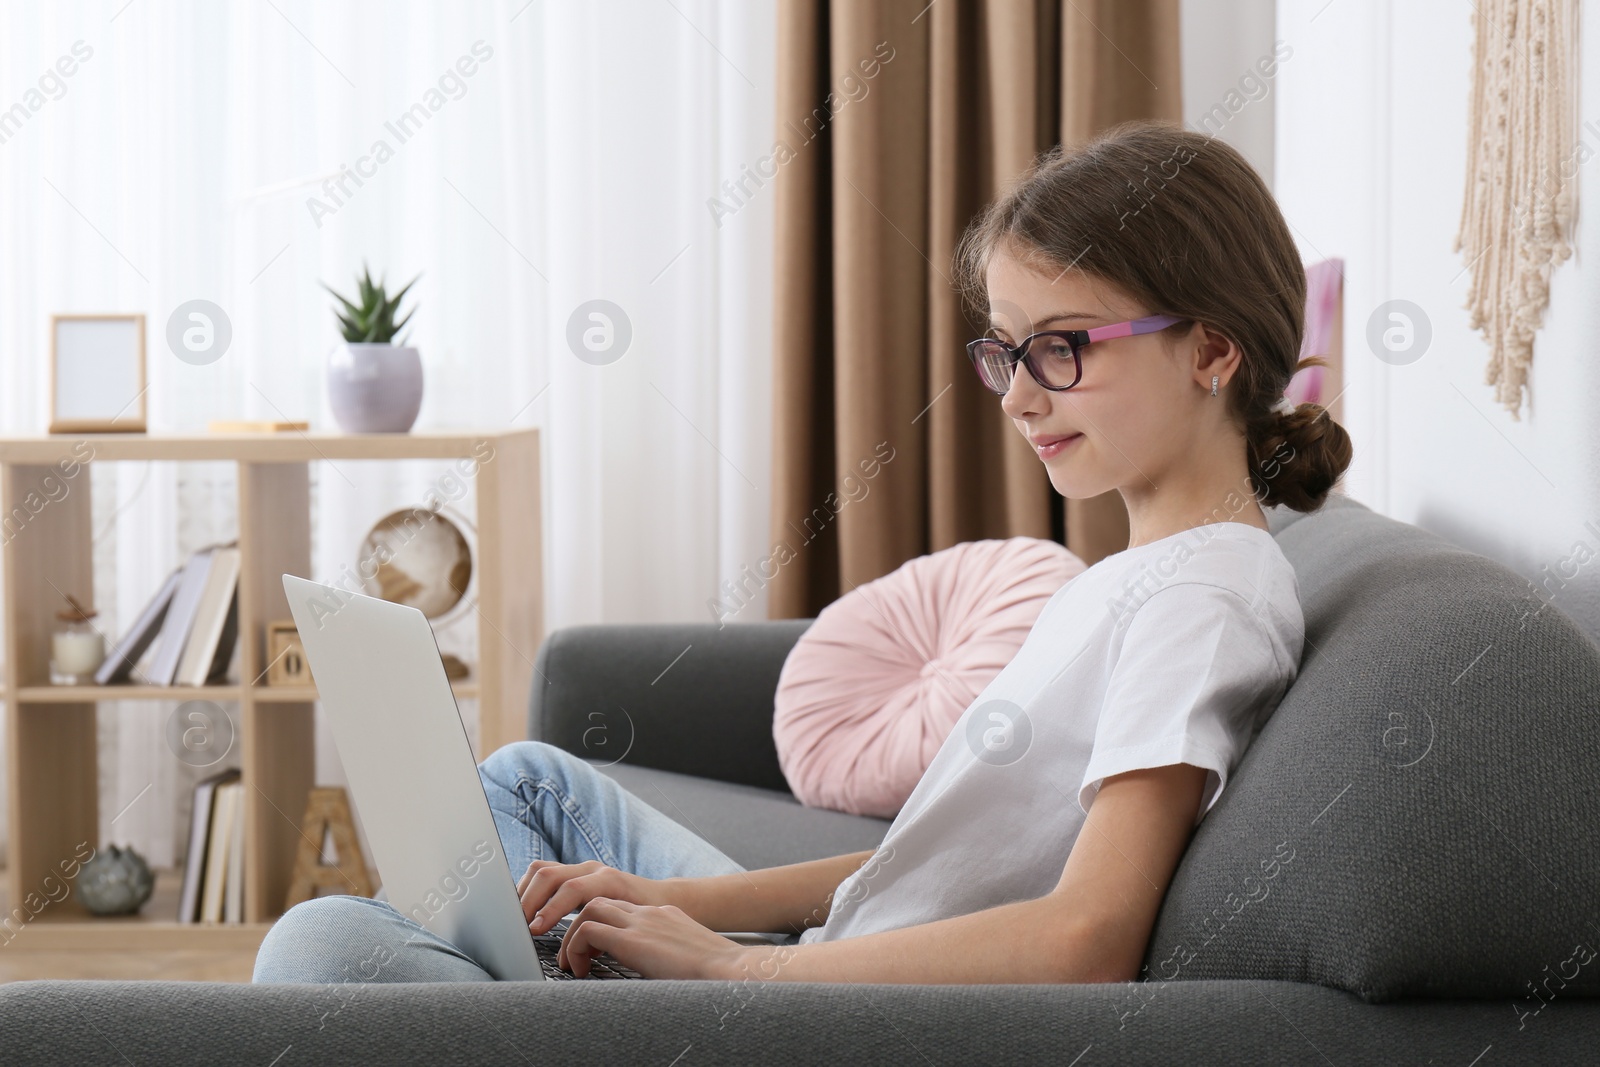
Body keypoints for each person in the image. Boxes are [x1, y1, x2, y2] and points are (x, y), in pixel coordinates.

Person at [253, 118, 1353, 986]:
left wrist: (725, 967)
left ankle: (512, 1004)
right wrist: (681, 903)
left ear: (1211, 349)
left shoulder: (1200, 600)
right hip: (836, 949)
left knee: (324, 943)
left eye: (1061, 349)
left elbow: (1085, 938)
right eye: (1006, 350)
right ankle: (518, 990)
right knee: (529, 782)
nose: (1017, 395)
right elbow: (932, 862)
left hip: (835, 1001)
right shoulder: (1134, 576)